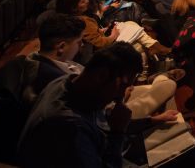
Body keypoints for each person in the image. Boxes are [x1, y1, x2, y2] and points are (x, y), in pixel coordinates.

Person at [16, 43, 144, 168]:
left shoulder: (65, 81)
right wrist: (117, 132)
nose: (121, 94)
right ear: (102, 75)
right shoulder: (70, 128)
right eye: (122, 85)